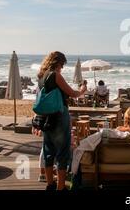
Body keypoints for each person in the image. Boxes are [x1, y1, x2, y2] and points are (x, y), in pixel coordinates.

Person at [37, 51, 87, 191]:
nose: (62, 67)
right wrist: (82, 90)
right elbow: (73, 93)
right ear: (57, 62)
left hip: (46, 117)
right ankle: (60, 187)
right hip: (59, 117)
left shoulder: (41, 76)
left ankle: (50, 185)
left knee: (48, 151)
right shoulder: (55, 75)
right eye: (62, 64)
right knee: (62, 153)